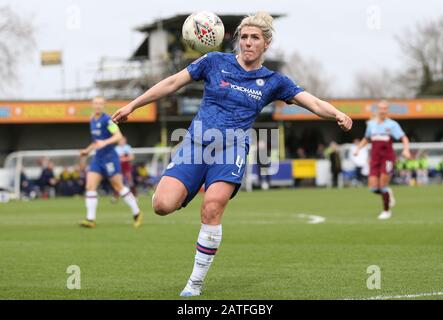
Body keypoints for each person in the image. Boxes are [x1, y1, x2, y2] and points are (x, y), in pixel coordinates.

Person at [112, 12, 352, 297]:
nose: (248, 43)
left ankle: (195, 284)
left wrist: (336, 113)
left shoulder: (274, 81)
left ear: (267, 43)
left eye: (255, 38)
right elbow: (172, 82)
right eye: (244, 37)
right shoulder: (214, 61)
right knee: (162, 205)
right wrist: (133, 105)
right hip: (195, 144)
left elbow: (309, 100)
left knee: (212, 206)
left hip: (233, 147)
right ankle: (175, 192)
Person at [79, 96, 143, 228]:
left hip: (110, 158)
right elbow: (97, 141)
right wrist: (87, 150)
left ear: (104, 106)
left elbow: (118, 136)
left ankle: (137, 213)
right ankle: (90, 219)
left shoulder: (107, 120)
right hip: (98, 158)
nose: (97, 106)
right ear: (92, 105)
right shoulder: (92, 119)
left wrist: (105, 142)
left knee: (119, 187)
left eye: (100, 104)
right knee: (90, 186)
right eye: (95, 103)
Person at [354, 100, 411, 220]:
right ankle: (388, 194)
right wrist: (358, 149)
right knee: (373, 188)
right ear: (377, 110)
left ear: (387, 110)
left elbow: (404, 137)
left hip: (387, 159)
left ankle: (386, 211)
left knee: (383, 185)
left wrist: (406, 150)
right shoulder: (371, 124)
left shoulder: (392, 125)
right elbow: (367, 138)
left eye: (385, 108)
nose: (383, 110)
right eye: (381, 108)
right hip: (375, 159)